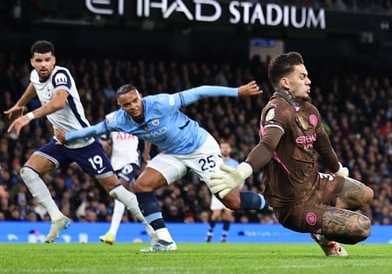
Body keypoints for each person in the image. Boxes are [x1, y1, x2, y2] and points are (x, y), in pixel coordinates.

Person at [55, 81, 270, 252]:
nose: (132, 107)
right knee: (141, 186)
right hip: (173, 154)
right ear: (120, 106)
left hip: (200, 148)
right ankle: (165, 241)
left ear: (139, 96)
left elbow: (200, 91)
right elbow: (93, 131)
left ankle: (269, 202)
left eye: (134, 101)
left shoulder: (161, 103)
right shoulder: (119, 120)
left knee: (231, 201)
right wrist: (68, 137)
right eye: (126, 105)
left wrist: (236, 92)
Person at [208, 51, 373, 257]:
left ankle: (322, 224)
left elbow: (324, 146)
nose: (309, 81)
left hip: (315, 184)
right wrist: (242, 171)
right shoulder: (277, 109)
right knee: (361, 228)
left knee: (366, 193)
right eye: (302, 77)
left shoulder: (309, 110)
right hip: (293, 204)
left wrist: (339, 170)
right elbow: (267, 146)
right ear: (285, 82)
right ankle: (322, 233)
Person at [4, 40, 155, 243]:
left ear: (54, 60)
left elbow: (58, 102)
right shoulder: (35, 75)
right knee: (28, 171)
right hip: (61, 142)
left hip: (83, 141)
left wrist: (28, 116)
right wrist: (19, 104)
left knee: (116, 190)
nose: (43, 64)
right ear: (32, 62)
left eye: (47, 60)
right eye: (38, 60)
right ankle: (57, 218)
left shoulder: (61, 75)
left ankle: (154, 231)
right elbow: (34, 85)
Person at [98, 124, 151, 245]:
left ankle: (111, 233)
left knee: (119, 191)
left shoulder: (135, 120)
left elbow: (148, 134)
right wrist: (105, 145)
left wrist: (146, 153)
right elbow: (104, 141)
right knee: (132, 199)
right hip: (116, 164)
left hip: (132, 161)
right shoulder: (112, 121)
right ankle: (152, 228)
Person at [206, 140, 239, 243]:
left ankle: (224, 237)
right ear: (219, 149)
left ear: (230, 149)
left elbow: (239, 178)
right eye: (222, 147)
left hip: (230, 191)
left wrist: (239, 187)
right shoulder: (215, 162)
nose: (224, 149)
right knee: (216, 215)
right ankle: (209, 234)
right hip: (217, 191)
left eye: (226, 147)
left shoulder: (234, 163)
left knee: (228, 216)